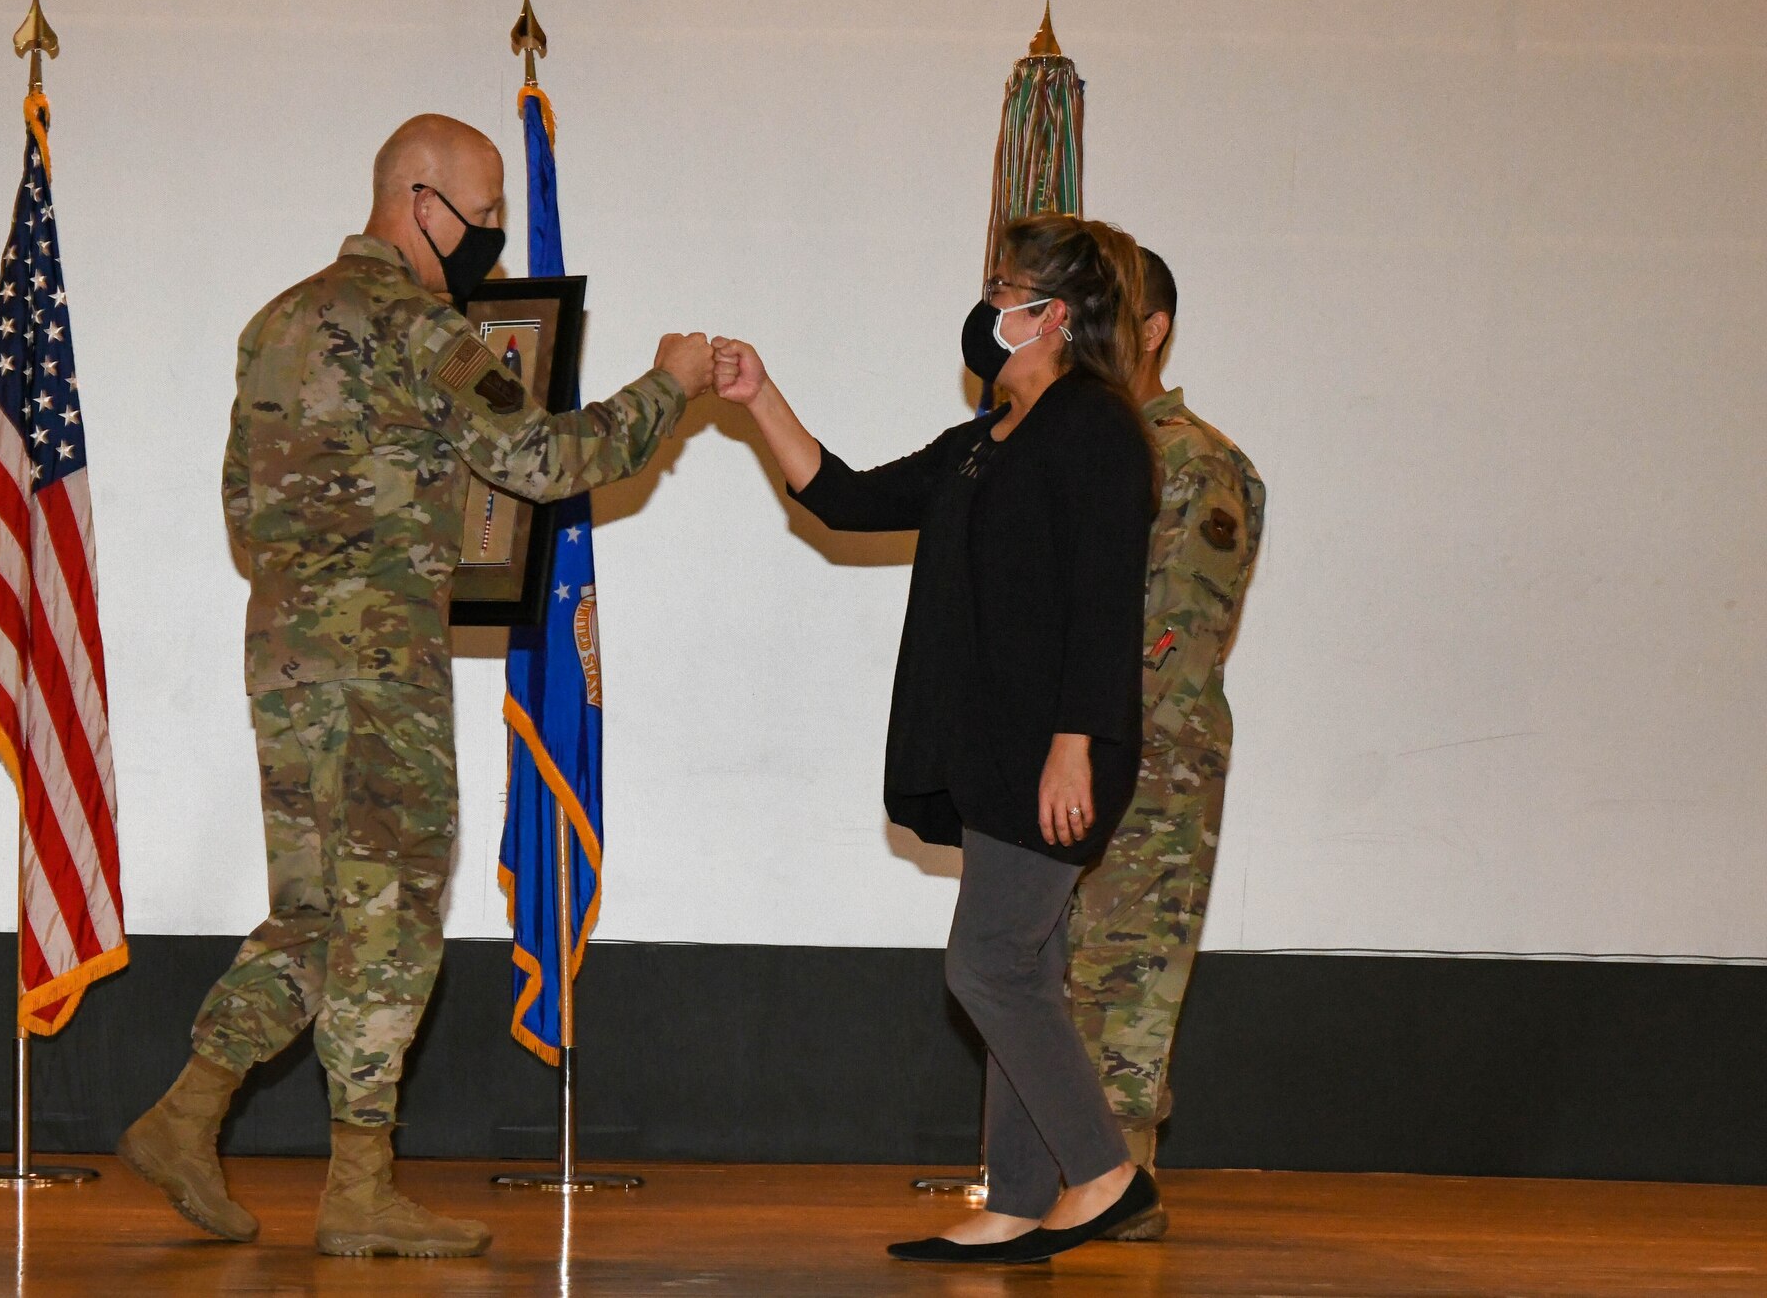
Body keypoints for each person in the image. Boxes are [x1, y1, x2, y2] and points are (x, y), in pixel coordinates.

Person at [116, 113, 715, 1260]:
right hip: (381, 666)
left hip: (285, 658)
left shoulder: (275, 323)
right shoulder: (417, 325)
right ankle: (358, 1188)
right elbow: (544, 461)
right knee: (388, 917)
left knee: (317, 913)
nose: (488, 237)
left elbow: (245, 514)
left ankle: (187, 1113)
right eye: (481, 216)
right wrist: (669, 384)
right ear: (417, 198)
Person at [713, 214, 1164, 1265]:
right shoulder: (981, 443)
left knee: (987, 965)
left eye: (1003, 287)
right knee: (1023, 969)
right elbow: (845, 497)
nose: (985, 304)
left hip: (1050, 750)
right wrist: (757, 398)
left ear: (1050, 314)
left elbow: (1104, 606)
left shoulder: (1093, 428)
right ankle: (1014, 1195)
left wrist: (1074, 743)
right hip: (988, 747)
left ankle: (1101, 1173)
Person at [1066, 249, 1266, 1219]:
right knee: (1056, 978)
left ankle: (1120, 1187)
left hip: (1147, 765)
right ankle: (1067, 1181)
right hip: (1071, 755)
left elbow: (1172, 639)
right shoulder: (1077, 446)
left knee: (1120, 983)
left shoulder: (1193, 462)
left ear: (1150, 332)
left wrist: (1089, 741)